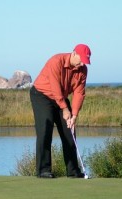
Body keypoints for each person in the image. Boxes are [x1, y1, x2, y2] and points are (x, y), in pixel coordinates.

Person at [30, 44, 91, 178]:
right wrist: (64, 108)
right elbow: (55, 86)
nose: (82, 64)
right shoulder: (56, 61)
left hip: (60, 98)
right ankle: (43, 170)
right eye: (81, 60)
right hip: (42, 95)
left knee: (69, 131)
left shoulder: (82, 70)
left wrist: (74, 114)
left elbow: (79, 92)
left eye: (85, 62)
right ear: (74, 53)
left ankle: (73, 171)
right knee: (45, 130)